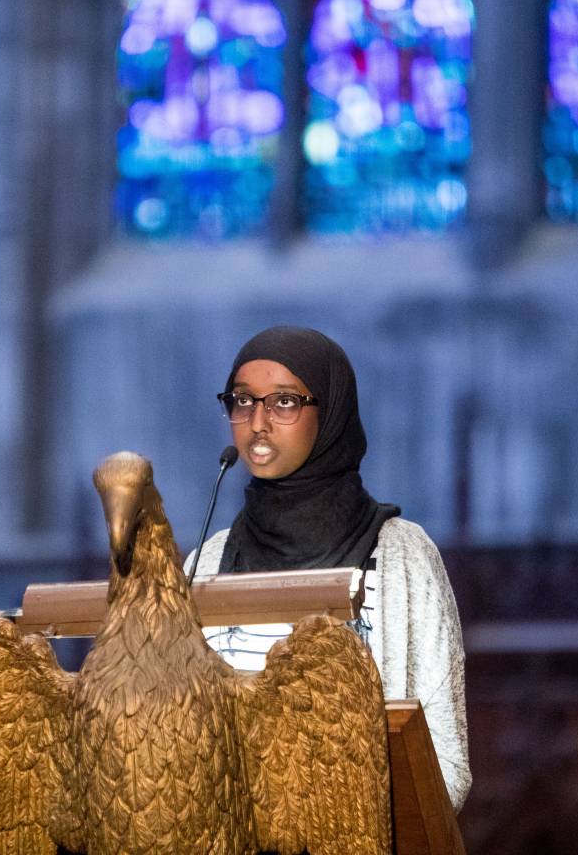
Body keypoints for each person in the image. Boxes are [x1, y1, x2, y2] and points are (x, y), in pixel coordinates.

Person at [185, 325, 471, 812]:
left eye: (283, 403)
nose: (257, 422)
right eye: (242, 400)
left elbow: (445, 764)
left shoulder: (403, 556)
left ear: (332, 412)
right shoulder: (206, 561)